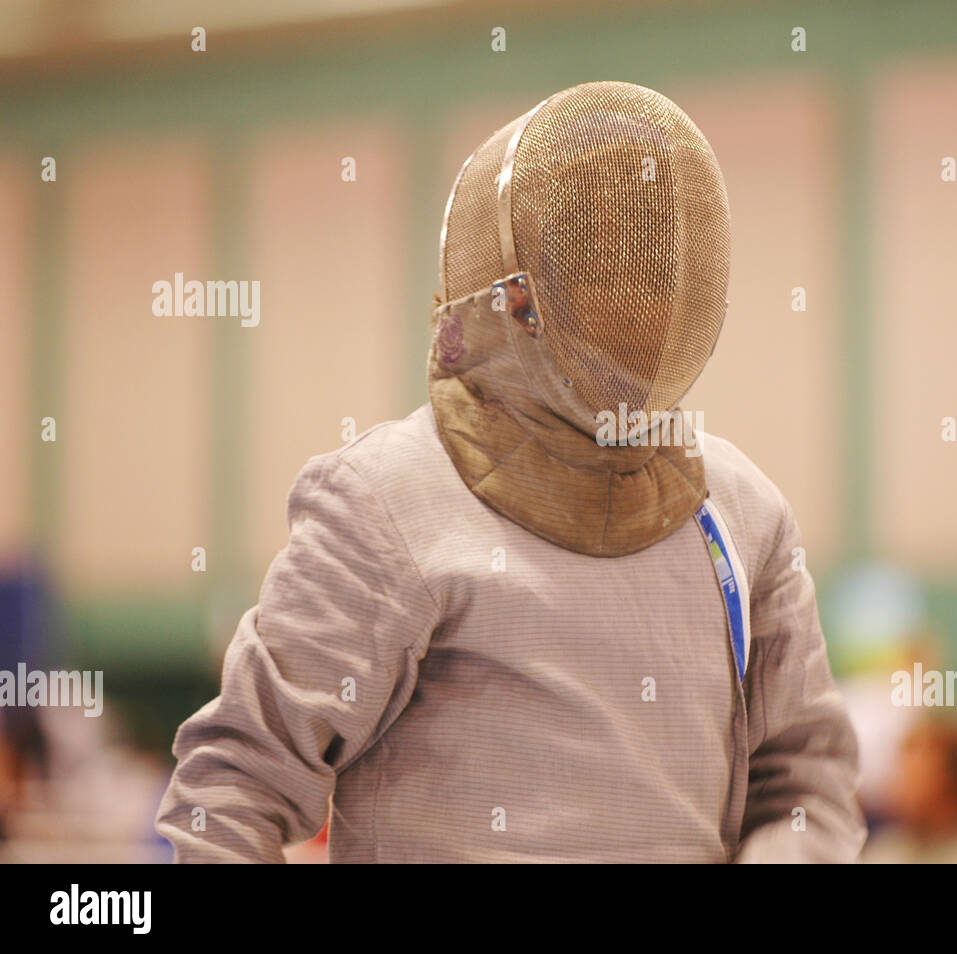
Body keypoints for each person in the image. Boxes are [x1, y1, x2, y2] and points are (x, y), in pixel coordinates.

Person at [155, 81, 865, 863]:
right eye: (595, 263)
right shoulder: (386, 500)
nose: (634, 291)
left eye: (653, 261)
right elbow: (229, 799)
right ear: (513, 292)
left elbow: (806, 791)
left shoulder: (743, 514)